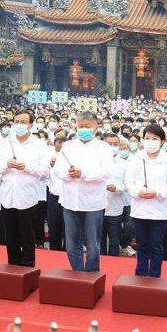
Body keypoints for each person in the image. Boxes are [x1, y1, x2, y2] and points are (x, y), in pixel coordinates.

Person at [53, 112, 112, 272]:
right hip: (70, 200)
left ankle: (92, 275)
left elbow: (106, 172)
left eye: (88, 126)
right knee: (72, 243)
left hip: (93, 202)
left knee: (93, 243)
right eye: (81, 126)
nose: (83, 129)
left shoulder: (104, 147)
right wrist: (68, 173)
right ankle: (77, 274)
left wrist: (83, 174)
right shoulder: (68, 146)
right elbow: (58, 169)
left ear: (96, 127)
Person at [0, 110, 49, 266]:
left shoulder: (39, 144)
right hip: (7, 195)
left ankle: (28, 266)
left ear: (31, 125)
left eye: (23, 122)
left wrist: (26, 167)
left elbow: (45, 171)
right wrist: (6, 165)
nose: (19, 125)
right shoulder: (5, 143)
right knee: (10, 235)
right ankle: (13, 265)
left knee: (27, 234)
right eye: (16, 121)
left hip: (28, 196)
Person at [126, 124, 167, 277]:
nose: (150, 141)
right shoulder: (136, 158)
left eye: (155, 138)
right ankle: (140, 274)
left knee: (156, 245)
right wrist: (137, 192)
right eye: (147, 138)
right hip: (139, 209)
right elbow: (129, 181)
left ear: (162, 141)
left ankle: (155, 276)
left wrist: (158, 193)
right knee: (141, 245)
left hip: (158, 210)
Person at [102, 133, 127, 256]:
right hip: (98, 207)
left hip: (115, 209)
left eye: (115, 144)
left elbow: (128, 185)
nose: (112, 146)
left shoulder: (124, 163)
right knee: (98, 240)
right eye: (109, 144)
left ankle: (113, 267)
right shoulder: (97, 161)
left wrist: (117, 188)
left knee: (114, 241)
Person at [46, 136, 66, 251]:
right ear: (55, 144)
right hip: (53, 197)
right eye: (59, 142)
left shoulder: (71, 159)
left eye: (63, 143)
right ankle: (54, 252)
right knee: (53, 227)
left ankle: (68, 252)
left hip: (67, 198)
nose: (61, 144)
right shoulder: (50, 158)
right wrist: (50, 165)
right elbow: (43, 176)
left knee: (68, 229)